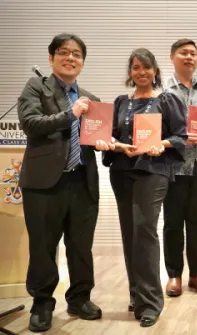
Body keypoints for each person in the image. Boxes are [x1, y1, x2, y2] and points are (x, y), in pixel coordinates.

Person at [17, 33, 112, 332]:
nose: (70, 57)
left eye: (77, 54)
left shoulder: (91, 99)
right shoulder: (36, 87)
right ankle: (43, 303)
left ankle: (80, 298)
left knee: (81, 246)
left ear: (83, 62)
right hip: (45, 183)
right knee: (44, 247)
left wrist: (104, 143)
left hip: (83, 181)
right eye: (63, 52)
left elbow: (94, 139)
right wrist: (69, 114)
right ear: (51, 58)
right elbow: (30, 124)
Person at [102, 48, 186, 327]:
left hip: (154, 171)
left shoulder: (167, 100)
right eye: (136, 68)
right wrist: (114, 145)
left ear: (155, 71)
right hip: (123, 172)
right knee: (129, 233)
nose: (141, 72)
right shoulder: (120, 102)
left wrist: (160, 144)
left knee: (145, 230)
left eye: (146, 68)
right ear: (130, 72)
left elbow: (181, 136)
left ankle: (151, 302)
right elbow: (110, 136)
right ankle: (136, 294)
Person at [162, 38, 197, 297]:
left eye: (193, 54)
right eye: (183, 53)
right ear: (172, 57)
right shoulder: (162, 90)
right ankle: (174, 275)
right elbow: (155, 128)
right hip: (174, 166)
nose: (189, 57)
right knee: (173, 223)